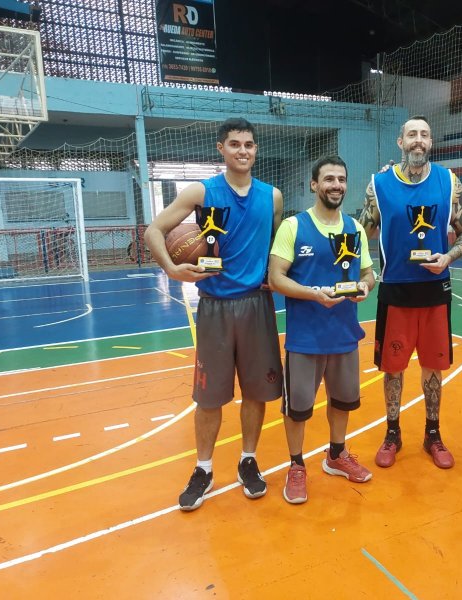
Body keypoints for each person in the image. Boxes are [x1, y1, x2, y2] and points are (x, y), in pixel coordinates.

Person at [144, 117, 283, 511]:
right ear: (220, 148)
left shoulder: (272, 196)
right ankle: (203, 468)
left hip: (257, 305)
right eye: (235, 144)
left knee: (257, 392)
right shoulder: (201, 191)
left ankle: (248, 461)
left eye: (249, 144)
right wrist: (172, 270)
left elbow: (275, 244)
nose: (243, 150)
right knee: (209, 397)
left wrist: (274, 274)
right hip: (215, 307)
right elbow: (154, 230)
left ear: (256, 150)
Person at [359, 115, 462, 469]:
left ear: (431, 141)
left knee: (433, 368)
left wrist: (449, 257)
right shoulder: (377, 184)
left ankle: (432, 434)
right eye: (412, 135)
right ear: (400, 142)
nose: (418, 140)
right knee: (393, 369)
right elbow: (362, 233)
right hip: (396, 290)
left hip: (435, 289)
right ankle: (393, 433)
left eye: (424, 134)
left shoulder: (450, 182)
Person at [268, 155, 376, 504]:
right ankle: (297, 465)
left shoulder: (355, 228)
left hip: (344, 334)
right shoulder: (293, 226)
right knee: (297, 409)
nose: (336, 185)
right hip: (305, 338)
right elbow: (276, 278)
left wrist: (365, 287)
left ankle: (336, 455)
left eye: (341, 179)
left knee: (342, 402)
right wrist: (314, 294)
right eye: (328, 179)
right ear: (314, 184)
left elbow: (367, 273)